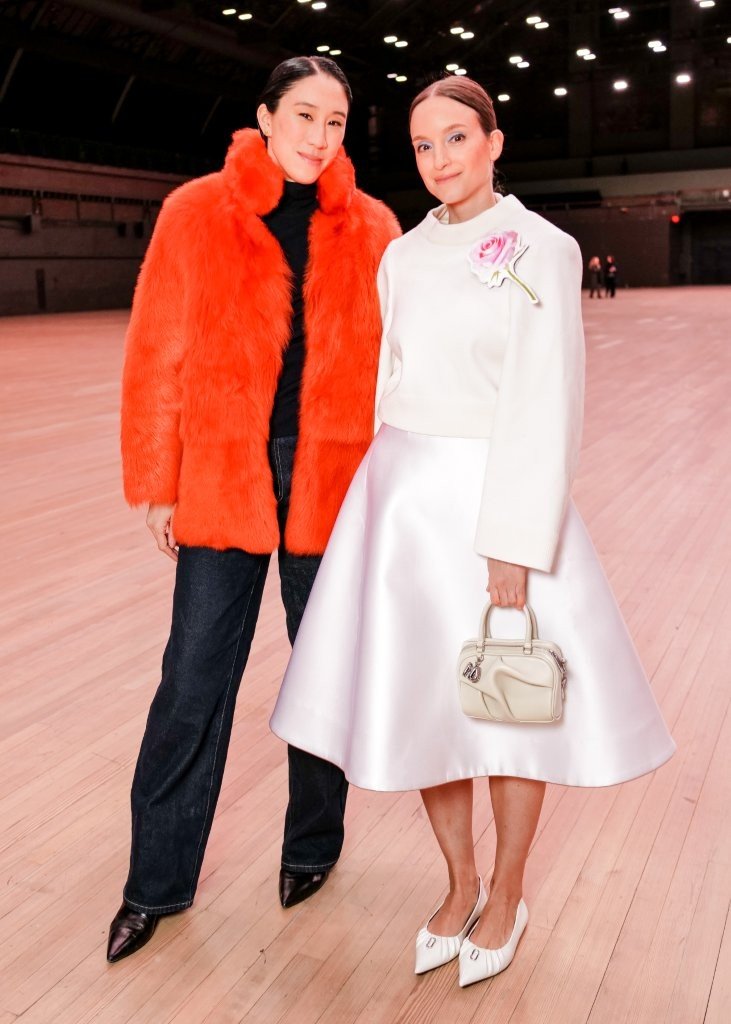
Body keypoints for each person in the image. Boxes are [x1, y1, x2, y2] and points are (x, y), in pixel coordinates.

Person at [270, 76, 674, 988]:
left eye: (456, 138)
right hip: (405, 505)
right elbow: (390, 384)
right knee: (428, 705)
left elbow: (547, 401)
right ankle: (458, 884)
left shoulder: (546, 248)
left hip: (497, 498)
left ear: (494, 142)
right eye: (422, 145)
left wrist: (514, 543)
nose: (439, 159)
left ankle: (508, 891)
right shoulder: (402, 255)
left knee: (508, 708)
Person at [107, 56, 400, 964]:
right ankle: (153, 884)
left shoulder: (374, 226)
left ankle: (311, 849)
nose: (320, 136)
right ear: (265, 117)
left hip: (333, 477)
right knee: (192, 679)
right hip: (224, 472)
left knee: (324, 674)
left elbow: (403, 368)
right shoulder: (195, 211)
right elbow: (155, 348)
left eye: (335, 121)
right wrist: (157, 481)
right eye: (304, 115)